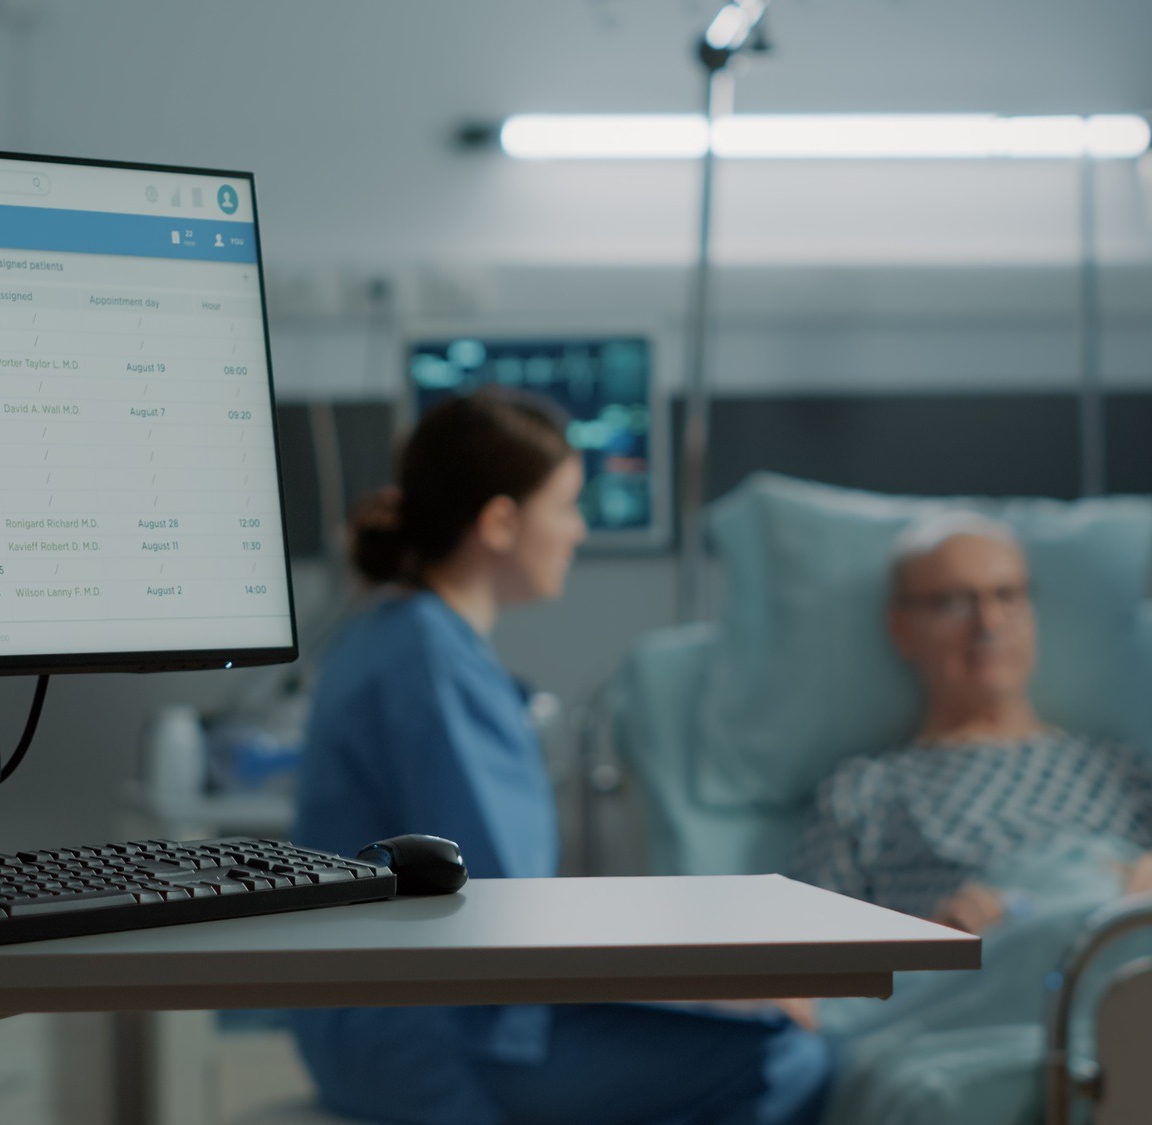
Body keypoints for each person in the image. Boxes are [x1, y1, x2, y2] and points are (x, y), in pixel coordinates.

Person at [289, 389, 830, 1125]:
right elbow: (504, 908)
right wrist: (711, 985)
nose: (578, 531)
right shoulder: (428, 658)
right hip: (433, 1036)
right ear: (502, 521)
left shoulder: (400, 637)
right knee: (784, 1056)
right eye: (568, 505)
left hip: (390, 1019)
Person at [794, 513, 1152, 934]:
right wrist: (932, 939)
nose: (989, 624)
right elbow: (811, 966)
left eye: (1008, 596)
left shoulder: (1127, 771)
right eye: (954, 602)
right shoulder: (865, 792)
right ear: (903, 628)